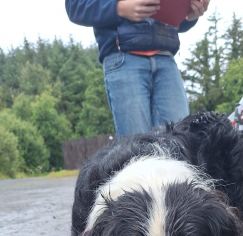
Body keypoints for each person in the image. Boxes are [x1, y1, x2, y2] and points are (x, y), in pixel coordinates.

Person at [66, 0, 209, 136]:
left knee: (181, 145)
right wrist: (119, 8)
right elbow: (75, 6)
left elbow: (178, 19)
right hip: (123, 56)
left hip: (166, 56)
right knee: (136, 152)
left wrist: (190, 13)